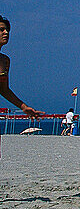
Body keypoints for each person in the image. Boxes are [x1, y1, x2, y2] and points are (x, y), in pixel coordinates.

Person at [0, 15, 45, 157]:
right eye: (1, 30)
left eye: (7, 29)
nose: (6, 33)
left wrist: (24, 107)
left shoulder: (5, 60)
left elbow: (4, 90)